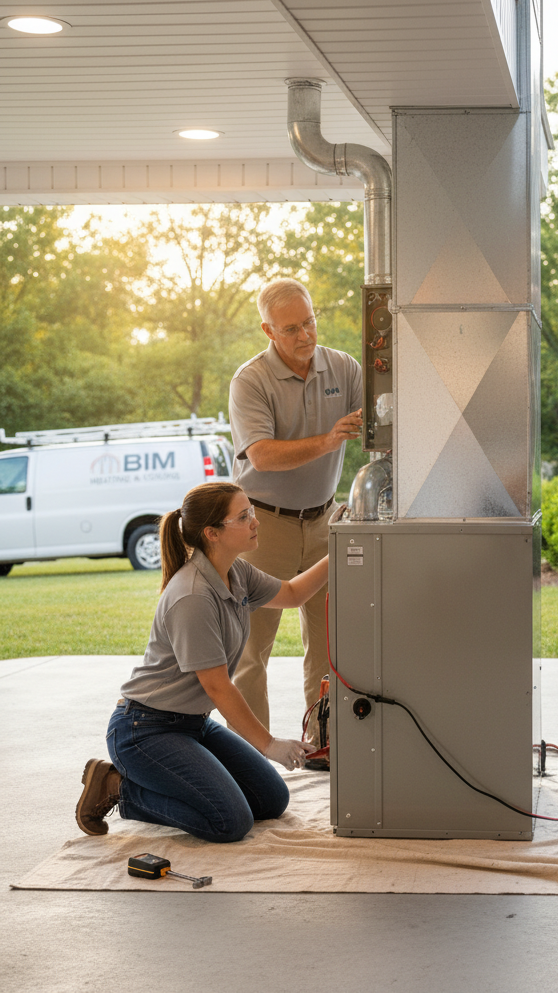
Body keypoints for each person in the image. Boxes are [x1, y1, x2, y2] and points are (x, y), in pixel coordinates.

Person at [75, 481, 320, 843]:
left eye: (251, 512)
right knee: (229, 821)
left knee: (271, 799)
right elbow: (218, 686)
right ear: (212, 533)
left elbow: (292, 593)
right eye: (243, 516)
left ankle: (173, 782)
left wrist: (343, 544)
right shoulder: (192, 595)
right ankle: (117, 787)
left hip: (193, 724)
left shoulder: (236, 573)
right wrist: (269, 744)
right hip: (145, 730)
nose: (256, 522)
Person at [228, 279, 362, 736]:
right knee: (250, 648)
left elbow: (383, 423)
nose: (306, 335)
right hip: (261, 527)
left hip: (325, 520)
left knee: (328, 646)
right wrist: (329, 441)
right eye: (292, 329)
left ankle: (323, 741)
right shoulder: (250, 380)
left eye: (310, 321)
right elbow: (262, 455)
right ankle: (253, 754)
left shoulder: (344, 368)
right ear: (268, 330)